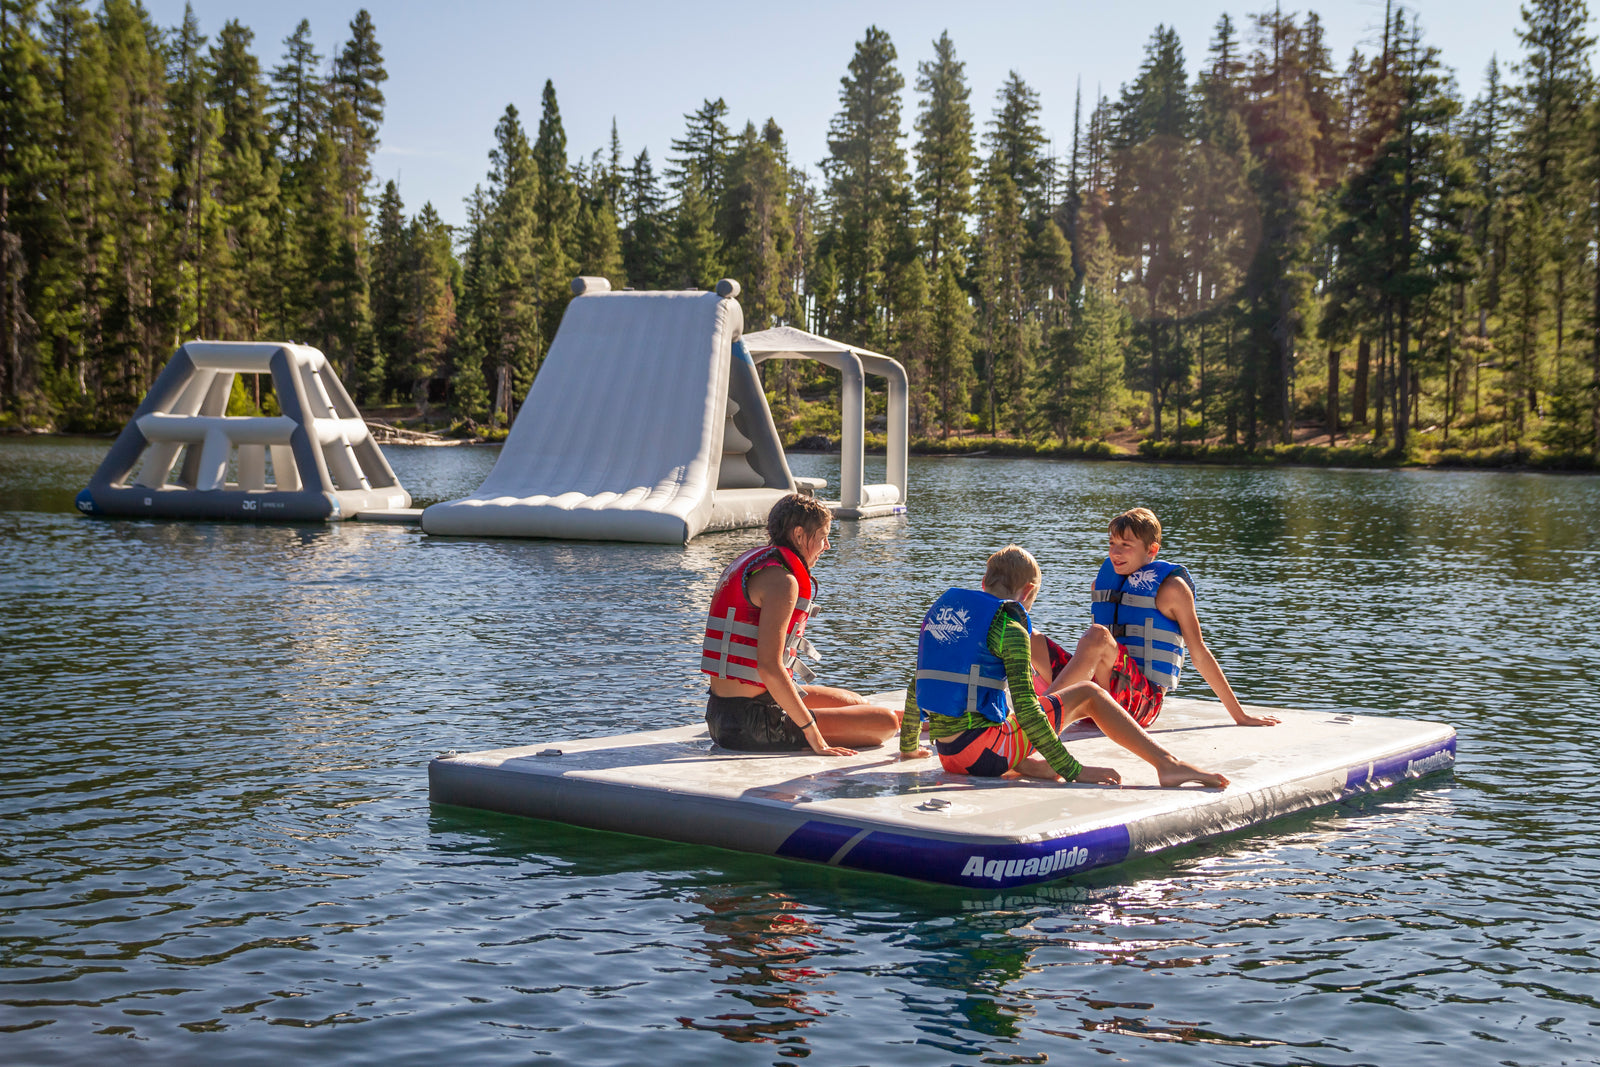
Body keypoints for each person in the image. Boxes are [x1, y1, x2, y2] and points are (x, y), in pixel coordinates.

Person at [899, 545, 1229, 788]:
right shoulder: (1009, 626)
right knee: (1088, 692)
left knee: (1004, 721)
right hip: (984, 756)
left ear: (985, 580)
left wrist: (909, 749)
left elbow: (917, 686)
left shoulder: (945, 614)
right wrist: (1072, 769)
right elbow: (1028, 710)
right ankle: (1167, 765)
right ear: (1028, 592)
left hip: (949, 755)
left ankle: (1028, 763)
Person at [1036, 507, 1280, 730]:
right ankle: (1020, 715)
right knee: (1029, 637)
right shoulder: (1102, 586)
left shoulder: (1172, 589)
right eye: (1112, 543)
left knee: (1098, 636)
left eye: (1126, 544)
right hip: (1095, 700)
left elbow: (1199, 653)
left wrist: (1240, 716)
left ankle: (1036, 723)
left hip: (1139, 705)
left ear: (1151, 550)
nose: (1115, 552)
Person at [701, 493, 901, 755]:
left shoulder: (757, 566)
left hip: (721, 713)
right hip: (752, 724)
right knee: (883, 723)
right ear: (798, 535)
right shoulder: (783, 582)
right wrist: (814, 736)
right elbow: (770, 668)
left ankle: (901, 717)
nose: (827, 545)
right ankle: (887, 720)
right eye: (822, 536)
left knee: (855, 702)